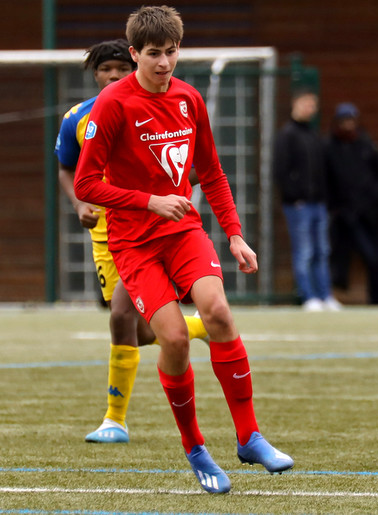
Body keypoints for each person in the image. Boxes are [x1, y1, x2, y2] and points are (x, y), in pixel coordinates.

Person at [74, 6, 292, 494]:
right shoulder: (113, 104)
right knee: (171, 339)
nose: (164, 63)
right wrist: (149, 200)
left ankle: (249, 436)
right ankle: (195, 448)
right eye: (154, 54)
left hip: (183, 233)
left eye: (172, 52)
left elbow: (211, 172)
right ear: (134, 54)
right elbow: (87, 184)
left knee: (217, 310)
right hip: (132, 242)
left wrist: (235, 234)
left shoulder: (190, 99)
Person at [54, 38, 208, 445]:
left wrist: (166, 193)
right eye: (107, 70)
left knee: (122, 315)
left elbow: (196, 166)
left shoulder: (158, 107)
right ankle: (197, 326)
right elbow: (68, 170)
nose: (115, 76)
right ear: (96, 74)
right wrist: (78, 204)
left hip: (148, 231)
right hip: (105, 235)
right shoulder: (78, 119)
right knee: (131, 326)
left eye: (122, 69)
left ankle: (114, 419)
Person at [273, 90, 341, 311]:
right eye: (306, 104)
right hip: (298, 205)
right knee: (304, 251)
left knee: (322, 250)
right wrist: (295, 196)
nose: (309, 109)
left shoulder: (313, 135)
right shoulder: (287, 135)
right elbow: (280, 171)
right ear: (295, 104)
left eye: (313, 105)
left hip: (318, 204)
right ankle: (308, 296)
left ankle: (325, 295)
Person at [327, 102, 378, 304]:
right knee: (345, 257)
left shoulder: (367, 145)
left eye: (351, 120)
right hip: (345, 214)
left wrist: (377, 196)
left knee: (373, 257)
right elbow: (329, 180)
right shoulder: (330, 148)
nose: (348, 124)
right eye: (344, 120)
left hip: (369, 212)